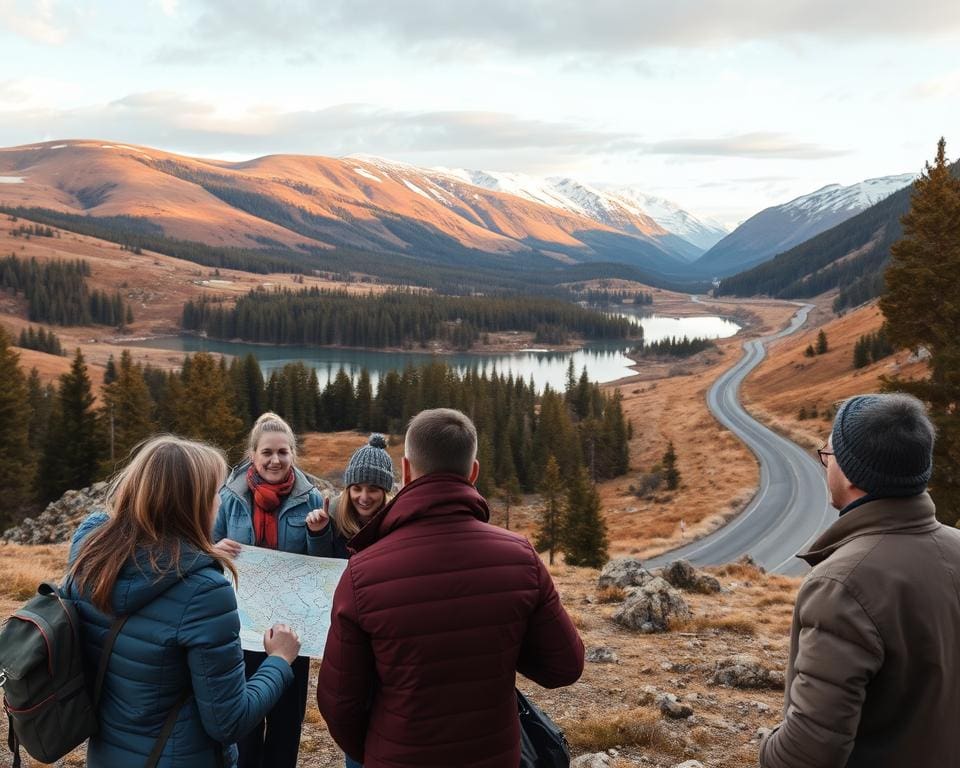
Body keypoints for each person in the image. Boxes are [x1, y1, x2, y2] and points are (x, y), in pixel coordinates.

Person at [317, 407, 585, 768]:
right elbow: (564, 667)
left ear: (407, 471)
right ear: (473, 472)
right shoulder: (521, 557)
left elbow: (339, 704)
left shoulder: (362, 572)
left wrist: (375, 752)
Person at [65, 435, 301, 768]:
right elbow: (229, 721)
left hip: (106, 754)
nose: (218, 503)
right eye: (214, 495)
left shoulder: (90, 549)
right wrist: (279, 659)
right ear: (191, 504)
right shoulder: (204, 591)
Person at [760, 393, 960, 768]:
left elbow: (807, 754)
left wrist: (768, 749)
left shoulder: (842, 586)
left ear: (851, 473)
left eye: (829, 455)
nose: (825, 464)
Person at [212, 412, 330, 768]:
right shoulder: (229, 497)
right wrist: (212, 550)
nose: (275, 460)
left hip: (293, 629)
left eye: (282, 452)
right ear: (253, 454)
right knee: (245, 717)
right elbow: (204, 543)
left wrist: (319, 533)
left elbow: (321, 567)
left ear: (293, 453)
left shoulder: (312, 500)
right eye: (267, 453)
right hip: (241, 626)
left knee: (287, 721)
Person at [314, 433, 395, 560]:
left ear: (385, 492)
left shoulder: (395, 521)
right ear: (348, 490)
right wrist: (318, 532)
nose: (364, 497)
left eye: (373, 489)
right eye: (357, 489)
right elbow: (322, 563)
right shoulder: (333, 516)